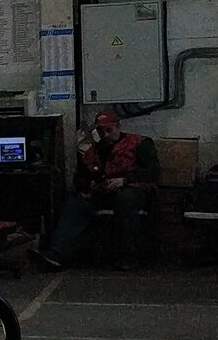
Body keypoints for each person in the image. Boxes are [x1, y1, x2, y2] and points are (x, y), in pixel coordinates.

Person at [34, 110, 158, 271]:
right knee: (76, 203)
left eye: (109, 130)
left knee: (126, 200)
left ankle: (129, 256)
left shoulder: (140, 143)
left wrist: (125, 180)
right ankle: (57, 254)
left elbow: (152, 171)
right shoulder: (92, 152)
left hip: (133, 191)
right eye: (101, 131)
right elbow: (81, 177)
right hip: (104, 193)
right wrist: (87, 187)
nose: (105, 135)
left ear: (118, 127)